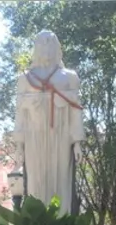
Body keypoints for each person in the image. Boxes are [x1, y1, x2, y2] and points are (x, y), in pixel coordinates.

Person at [11, 30, 85, 212]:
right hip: (33, 137)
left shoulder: (69, 77)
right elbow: (19, 114)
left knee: (61, 180)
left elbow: (76, 110)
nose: (46, 47)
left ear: (57, 47)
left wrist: (77, 142)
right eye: (42, 43)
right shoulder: (25, 79)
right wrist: (19, 146)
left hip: (61, 135)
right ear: (35, 48)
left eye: (50, 42)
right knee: (36, 181)